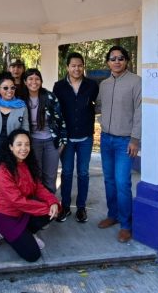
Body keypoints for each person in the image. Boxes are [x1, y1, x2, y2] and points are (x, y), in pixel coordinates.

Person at [0, 129, 59, 262]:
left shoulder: (28, 164)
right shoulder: (4, 170)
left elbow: (39, 188)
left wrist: (52, 202)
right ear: (11, 147)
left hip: (24, 213)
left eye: (27, 144)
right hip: (6, 217)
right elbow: (17, 201)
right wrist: (45, 208)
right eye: (19, 144)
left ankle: (28, 233)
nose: (24, 148)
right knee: (33, 255)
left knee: (53, 210)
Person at [96, 45, 141, 243]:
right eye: (113, 58)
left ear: (126, 61)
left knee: (122, 182)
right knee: (109, 180)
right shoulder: (104, 84)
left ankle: (126, 225)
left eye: (120, 58)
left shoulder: (136, 82)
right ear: (108, 62)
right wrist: (102, 121)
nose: (117, 61)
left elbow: (140, 111)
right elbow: (99, 105)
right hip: (106, 139)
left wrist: (135, 139)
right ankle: (112, 215)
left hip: (125, 141)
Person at [52, 52, 99, 223]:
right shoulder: (59, 86)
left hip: (85, 137)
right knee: (66, 172)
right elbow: (55, 112)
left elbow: (97, 106)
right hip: (67, 138)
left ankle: (81, 207)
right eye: (73, 65)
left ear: (83, 66)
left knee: (83, 173)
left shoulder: (92, 85)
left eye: (80, 65)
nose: (77, 69)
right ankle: (65, 206)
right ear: (67, 67)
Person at [0, 72, 29, 221]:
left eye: (12, 88)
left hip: (13, 151)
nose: (9, 91)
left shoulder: (21, 106)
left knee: (12, 182)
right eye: (5, 88)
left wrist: (23, 149)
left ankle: (10, 213)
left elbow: (25, 128)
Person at [23, 68, 67, 193]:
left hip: (51, 142)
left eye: (37, 79)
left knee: (50, 177)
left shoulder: (49, 97)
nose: (34, 82)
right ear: (25, 82)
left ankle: (50, 203)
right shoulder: (21, 99)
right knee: (35, 176)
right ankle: (37, 204)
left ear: (41, 81)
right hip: (32, 142)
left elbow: (60, 120)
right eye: (30, 79)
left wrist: (63, 143)